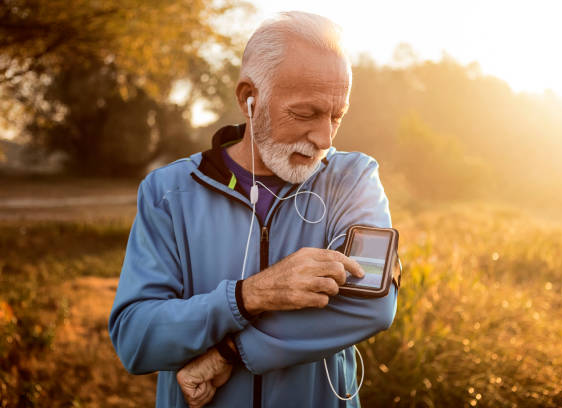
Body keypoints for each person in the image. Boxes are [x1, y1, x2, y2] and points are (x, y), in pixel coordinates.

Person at [108, 11, 398, 408]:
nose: (324, 138)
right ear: (249, 97)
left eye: (336, 116)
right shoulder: (167, 193)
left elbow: (372, 305)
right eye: (306, 113)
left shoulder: (353, 178)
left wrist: (229, 353)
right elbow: (136, 340)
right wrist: (248, 296)